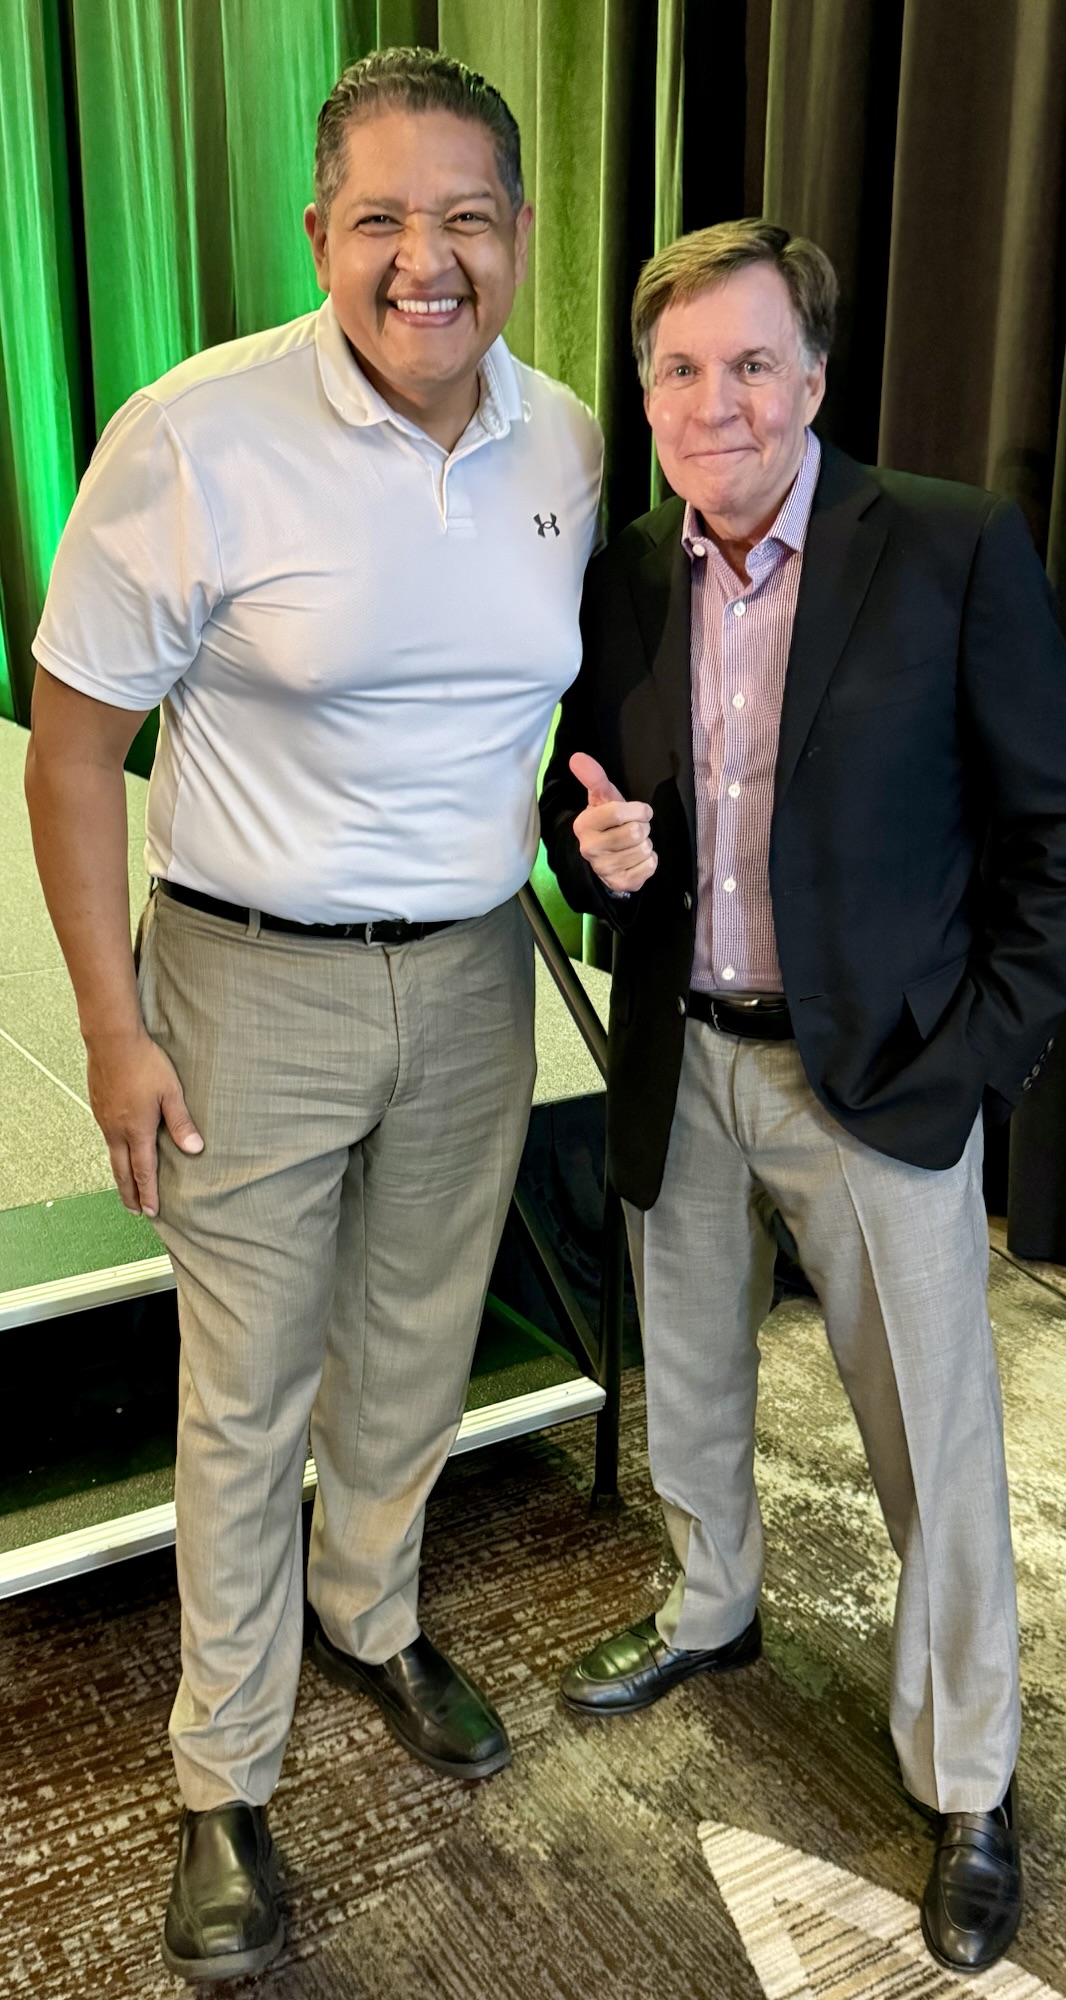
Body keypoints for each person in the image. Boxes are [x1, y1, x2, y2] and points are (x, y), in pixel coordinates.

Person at [25, 47, 601, 1983]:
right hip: (246, 979)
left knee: (418, 1346)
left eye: (466, 220)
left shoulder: (566, 439)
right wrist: (114, 1027)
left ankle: (375, 1616)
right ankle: (224, 1773)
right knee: (246, 1388)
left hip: (472, 973)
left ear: (519, 232)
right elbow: (72, 751)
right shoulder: (194, 436)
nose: (426, 260)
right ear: (319, 233)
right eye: (382, 220)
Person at [540, 218, 1066, 1975]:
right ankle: (709, 1606)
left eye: (748, 362)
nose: (712, 400)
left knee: (928, 1442)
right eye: (677, 369)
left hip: (872, 1077)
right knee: (692, 1371)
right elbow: (588, 807)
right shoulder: (624, 572)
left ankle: (966, 1779)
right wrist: (595, 857)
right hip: (680, 1049)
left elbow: (1063, 830)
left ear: (810, 375)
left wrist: (973, 1063)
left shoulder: (944, 545)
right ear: (645, 394)